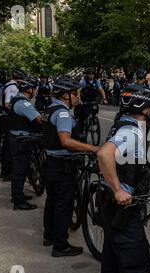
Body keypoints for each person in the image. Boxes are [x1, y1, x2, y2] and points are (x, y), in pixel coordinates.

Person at [97, 85, 150, 273]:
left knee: (112, 261)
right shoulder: (131, 131)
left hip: (108, 204)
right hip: (121, 207)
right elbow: (105, 155)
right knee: (135, 268)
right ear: (144, 109)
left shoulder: (120, 125)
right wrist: (118, 189)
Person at [42, 76, 99, 257]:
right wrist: (92, 148)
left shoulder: (49, 109)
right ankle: (60, 245)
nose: (78, 98)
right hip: (62, 165)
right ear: (66, 95)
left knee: (52, 201)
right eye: (75, 94)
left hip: (51, 162)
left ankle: (49, 235)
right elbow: (66, 141)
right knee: (63, 205)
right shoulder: (64, 113)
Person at [9, 77, 41, 210]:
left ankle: (17, 195)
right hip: (21, 140)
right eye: (35, 88)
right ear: (29, 89)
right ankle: (18, 201)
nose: (36, 91)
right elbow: (38, 119)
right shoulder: (23, 104)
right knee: (20, 171)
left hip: (16, 138)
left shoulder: (16, 98)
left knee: (19, 169)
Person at [0, 69, 26, 181]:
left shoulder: (9, 84)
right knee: (9, 147)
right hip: (8, 118)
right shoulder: (13, 87)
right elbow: (7, 104)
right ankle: (7, 172)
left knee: (7, 146)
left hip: (7, 117)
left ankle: (6, 171)